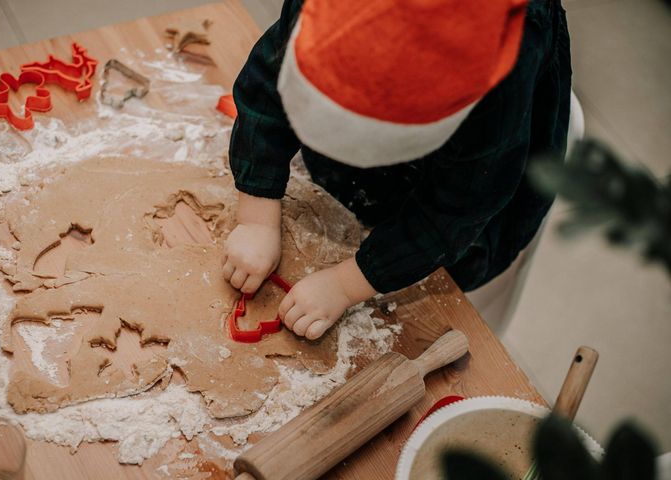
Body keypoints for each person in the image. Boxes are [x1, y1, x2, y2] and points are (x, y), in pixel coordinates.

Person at [221, 0, 571, 340]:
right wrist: (257, 214)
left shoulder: (501, 74)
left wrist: (345, 284)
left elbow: (458, 210)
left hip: (470, 197)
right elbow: (267, 85)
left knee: (438, 300)